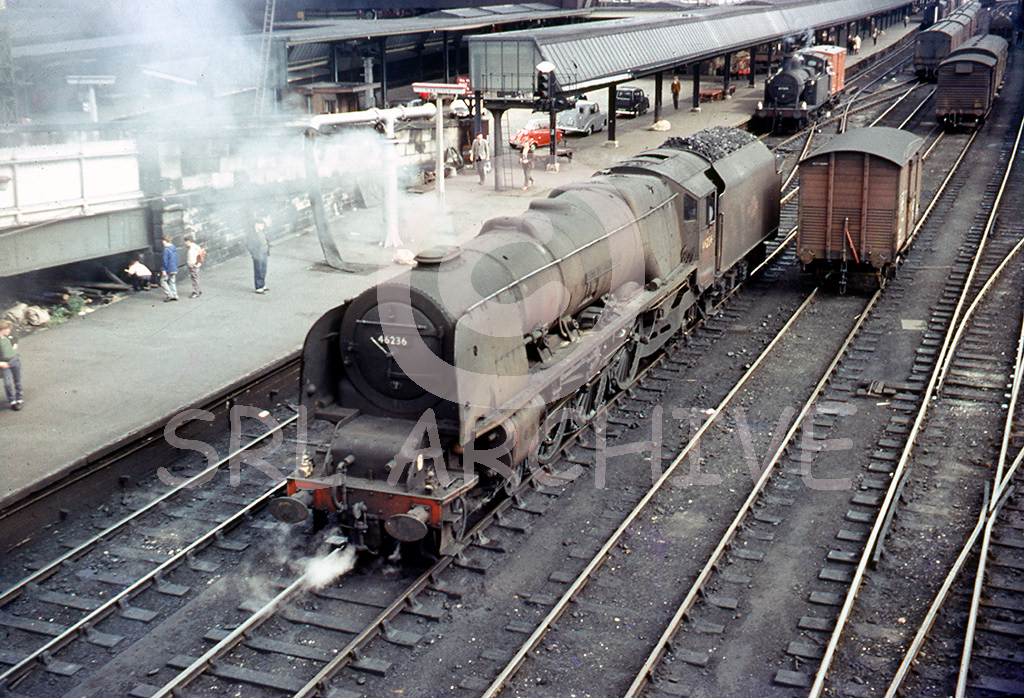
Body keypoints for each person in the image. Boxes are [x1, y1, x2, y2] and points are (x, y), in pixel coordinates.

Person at [0, 320, 23, 411]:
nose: (10, 331)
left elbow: (16, 338)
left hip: (15, 360)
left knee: (17, 380)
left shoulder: (8, 337)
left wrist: (14, 347)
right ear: (2, 329)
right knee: (7, 383)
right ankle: (12, 400)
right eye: (8, 329)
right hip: (5, 364)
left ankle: (19, 398)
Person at [245, 219, 270, 294]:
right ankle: (259, 287)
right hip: (258, 254)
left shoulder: (262, 232)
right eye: (261, 225)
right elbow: (249, 245)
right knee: (258, 270)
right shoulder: (252, 234)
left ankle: (262, 284)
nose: (263, 226)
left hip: (264, 252)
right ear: (256, 225)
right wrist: (254, 254)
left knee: (263, 269)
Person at [184, 234, 204, 298]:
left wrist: (190, 265)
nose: (185, 244)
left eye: (185, 242)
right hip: (197, 265)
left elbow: (191, 260)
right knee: (196, 278)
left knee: (194, 278)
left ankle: (196, 291)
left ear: (188, 242)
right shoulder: (196, 246)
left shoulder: (191, 250)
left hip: (193, 266)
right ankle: (199, 290)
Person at [159, 236, 179, 302]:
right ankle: (175, 295)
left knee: (163, 281)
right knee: (172, 282)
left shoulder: (166, 250)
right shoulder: (174, 248)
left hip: (168, 268)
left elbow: (165, 261)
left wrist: (163, 269)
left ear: (165, 241)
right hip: (174, 268)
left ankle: (169, 295)